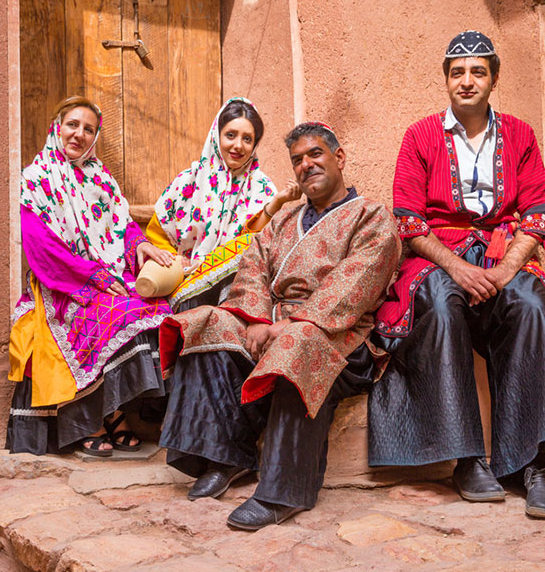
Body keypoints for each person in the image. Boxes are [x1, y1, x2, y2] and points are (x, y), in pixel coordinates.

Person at [369, 31, 545, 520]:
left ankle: (537, 465)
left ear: (494, 78)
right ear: (445, 79)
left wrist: (506, 269)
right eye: (457, 72)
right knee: (440, 303)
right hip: (440, 255)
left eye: (478, 71)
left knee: (529, 300)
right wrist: (460, 267)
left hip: (505, 252)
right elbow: (409, 221)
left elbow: (537, 214)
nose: (467, 81)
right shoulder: (419, 136)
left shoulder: (521, 135)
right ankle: (467, 459)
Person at [158, 122, 401, 530]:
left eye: (315, 154)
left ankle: (281, 493)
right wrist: (255, 319)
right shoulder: (283, 221)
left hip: (337, 336)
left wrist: (288, 323)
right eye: (297, 160)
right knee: (206, 321)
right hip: (270, 323)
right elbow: (253, 266)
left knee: (298, 341)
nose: (307, 165)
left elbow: (354, 285)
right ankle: (226, 455)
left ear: (338, 158)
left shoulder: (371, 216)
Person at [7, 96, 175, 458]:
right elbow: (40, 246)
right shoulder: (36, 180)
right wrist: (91, 275)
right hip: (62, 282)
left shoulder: (100, 178)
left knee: (153, 309)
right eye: (73, 125)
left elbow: (122, 224)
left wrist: (140, 245)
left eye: (88, 129)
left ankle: (113, 412)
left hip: (105, 274)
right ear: (57, 127)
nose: (79, 135)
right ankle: (90, 421)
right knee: (112, 315)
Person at [144, 98, 300, 312]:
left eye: (247, 139)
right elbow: (157, 232)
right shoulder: (189, 180)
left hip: (235, 287)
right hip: (184, 283)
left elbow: (254, 243)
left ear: (255, 145)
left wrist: (277, 203)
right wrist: (175, 259)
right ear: (216, 136)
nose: (238, 145)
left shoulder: (261, 187)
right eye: (230, 135)